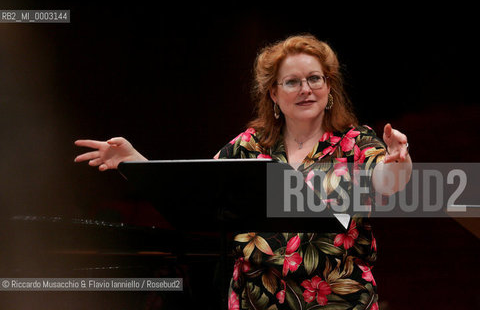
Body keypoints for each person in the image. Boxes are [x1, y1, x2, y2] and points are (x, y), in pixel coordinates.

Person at [75, 34, 412, 309]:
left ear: (329, 88)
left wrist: (398, 162)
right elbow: (197, 191)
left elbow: (386, 181)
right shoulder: (250, 144)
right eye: (292, 82)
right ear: (274, 94)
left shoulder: (355, 142)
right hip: (256, 299)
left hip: (337, 300)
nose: (306, 88)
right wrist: (137, 163)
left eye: (314, 79)